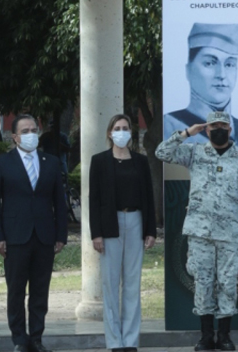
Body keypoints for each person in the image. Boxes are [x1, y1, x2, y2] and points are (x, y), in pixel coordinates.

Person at [158, 109, 238, 352]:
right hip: (200, 232)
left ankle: (224, 336)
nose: (218, 130)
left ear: (230, 129)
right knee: (202, 281)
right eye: (213, 127)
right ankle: (205, 336)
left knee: (227, 282)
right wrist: (186, 133)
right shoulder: (194, 153)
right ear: (207, 129)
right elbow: (161, 152)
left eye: (222, 126)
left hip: (230, 234)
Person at [0, 114, 68, 352]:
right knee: (16, 291)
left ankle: (37, 338)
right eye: (26, 131)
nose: (31, 134)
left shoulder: (50, 162)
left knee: (40, 291)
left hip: (44, 236)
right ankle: (20, 340)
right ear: (15, 137)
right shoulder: (3, 163)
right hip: (14, 237)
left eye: (34, 129)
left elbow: (59, 203)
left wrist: (61, 235)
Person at [89, 114, 156, 352]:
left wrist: (150, 229)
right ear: (109, 133)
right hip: (110, 224)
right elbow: (94, 199)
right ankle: (114, 342)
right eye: (117, 128)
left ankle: (130, 340)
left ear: (131, 132)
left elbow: (148, 195)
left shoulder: (140, 161)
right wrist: (96, 234)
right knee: (110, 283)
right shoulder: (99, 161)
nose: (121, 131)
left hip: (136, 220)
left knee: (132, 283)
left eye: (125, 128)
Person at [164, 23, 238, 162]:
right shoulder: (171, 125)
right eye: (210, 63)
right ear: (188, 70)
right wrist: (186, 134)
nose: (222, 74)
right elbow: (162, 155)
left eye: (230, 64)